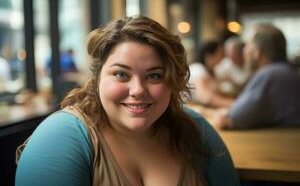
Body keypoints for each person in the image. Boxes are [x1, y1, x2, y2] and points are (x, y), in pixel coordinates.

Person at [15, 16, 240, 185]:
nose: (138, 90)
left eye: (154, 76)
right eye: (121, 74)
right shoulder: (61, 136)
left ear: (172, 81)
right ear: (97, 78)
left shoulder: (195, 127)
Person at [212, 24, 300, 129]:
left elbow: (231, 119)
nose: (244, 50)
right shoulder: (287, 71)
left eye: (248, 45)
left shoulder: (268, 75)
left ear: (257, 52)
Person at [189, 40, 234, 108]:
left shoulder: (212, 71)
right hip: (191, 108)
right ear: (209, 56)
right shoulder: (198, 69)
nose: (222, 57)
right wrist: (234, 104)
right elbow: (205, 97)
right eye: (220, 54)